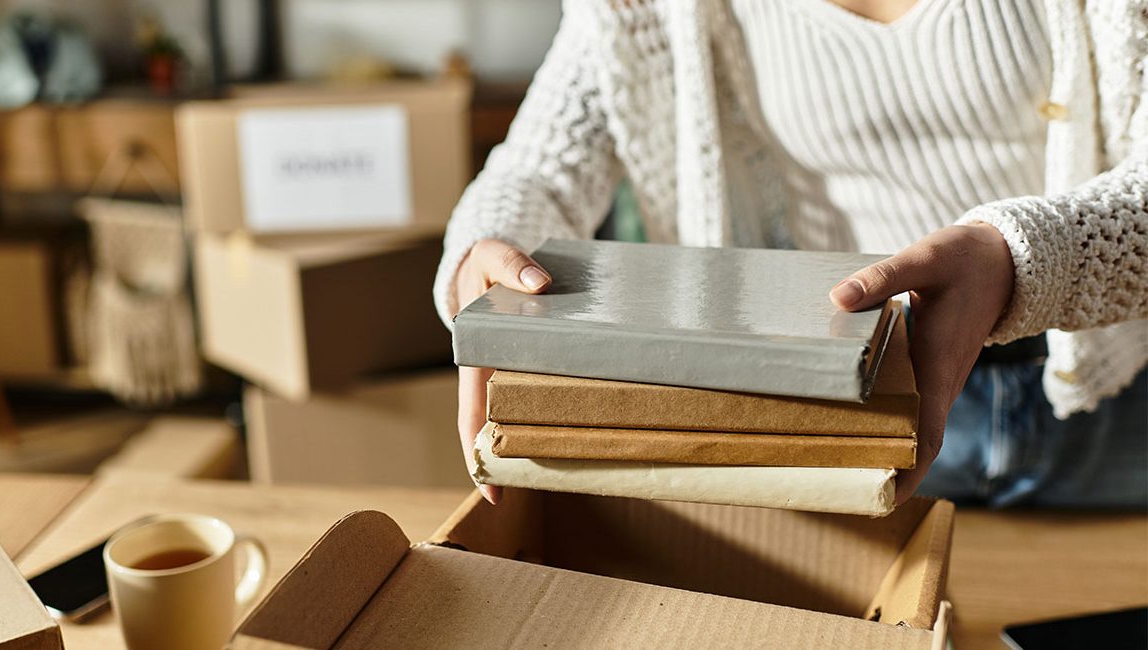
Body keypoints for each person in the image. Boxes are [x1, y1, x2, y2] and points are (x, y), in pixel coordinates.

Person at [434, 0, 1148, 507]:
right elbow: (540, 166)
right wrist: (486, 251)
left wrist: (1019, 260)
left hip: (1121, 396)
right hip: (847, 406)